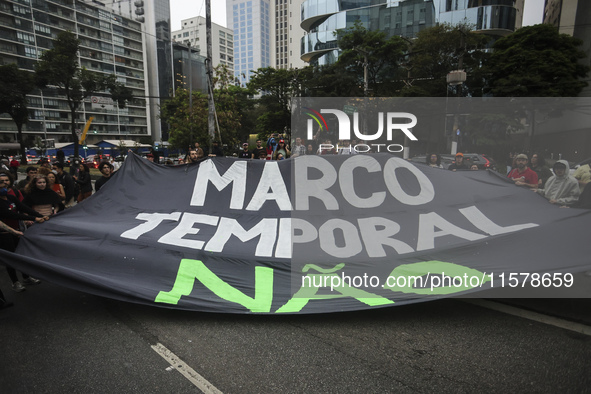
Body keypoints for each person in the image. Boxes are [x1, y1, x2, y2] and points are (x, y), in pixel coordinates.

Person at [0, 172, 47, 292]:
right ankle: (15, 282)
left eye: (6, 180)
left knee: (22, 255)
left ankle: (26, 277)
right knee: (11, 258)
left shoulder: (11, 197)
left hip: (18, 231)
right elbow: (10, 214)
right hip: (4, 234)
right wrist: (34, 218)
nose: (4, 183)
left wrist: (40, 216)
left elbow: (23, 208)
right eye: (1, 181)